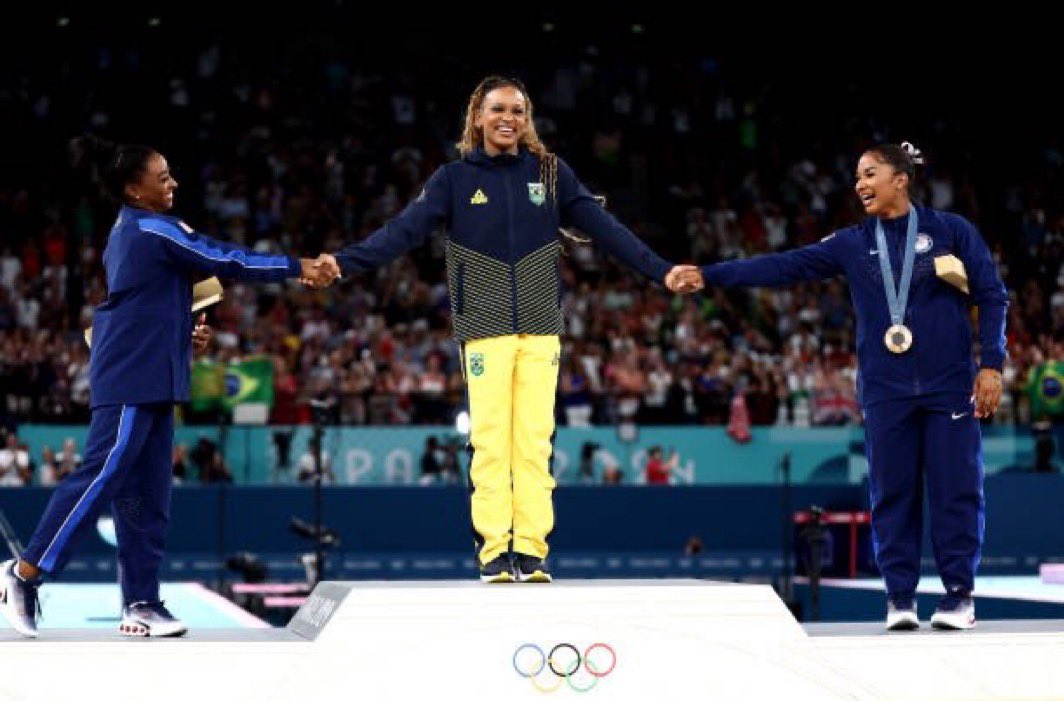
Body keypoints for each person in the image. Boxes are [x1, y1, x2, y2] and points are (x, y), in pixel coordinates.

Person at [306, 76, 699, 583]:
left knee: (535, 441)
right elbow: (400, 232)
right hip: (485, 328)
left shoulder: (551, 174)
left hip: (540, 325)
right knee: (491, 442)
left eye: (517, 109)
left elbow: (607, 230)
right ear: (477, 117)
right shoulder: (452, 179)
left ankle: (532, 552)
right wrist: (344, 262)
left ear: (526, 118)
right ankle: (495, 551)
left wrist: (660, 269)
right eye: (497, 109)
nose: (507, 117)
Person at [0, 135, 319, 638]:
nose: (174, 183)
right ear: (134, 189)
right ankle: (26, 573)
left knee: (144, 499)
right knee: (102, 474)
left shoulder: (135, 231)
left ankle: (141, 603)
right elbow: (226, 259)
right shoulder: (153, 229)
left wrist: (183, 334)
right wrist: (297, 267)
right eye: (163, 177)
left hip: (154, 376)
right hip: (130, 375)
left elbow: (143, 302)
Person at [683, 142, 1007, 631]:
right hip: (885, 389)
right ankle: (900, 598)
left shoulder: (950, 231)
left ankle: (959, 597)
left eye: (869, 173)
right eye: (856, 175)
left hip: (949, 386)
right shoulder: (853, 243)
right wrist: (710, 275)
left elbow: (991, 293)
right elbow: (784, 266)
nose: (859, 184)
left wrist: (993, 365)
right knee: (890, 492)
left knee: (955, 491)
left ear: (901, 178)